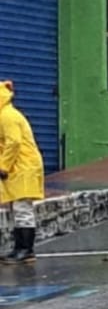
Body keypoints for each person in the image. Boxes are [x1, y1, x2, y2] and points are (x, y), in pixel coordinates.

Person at [0, 80, 45, 265]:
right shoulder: (5, 114)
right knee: (17, 209)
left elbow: (14, 142)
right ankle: (20, 249)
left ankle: (26, 250)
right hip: (18, 167)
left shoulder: (7, 116)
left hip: (23, 167)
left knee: (22, 209)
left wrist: (3, 166)